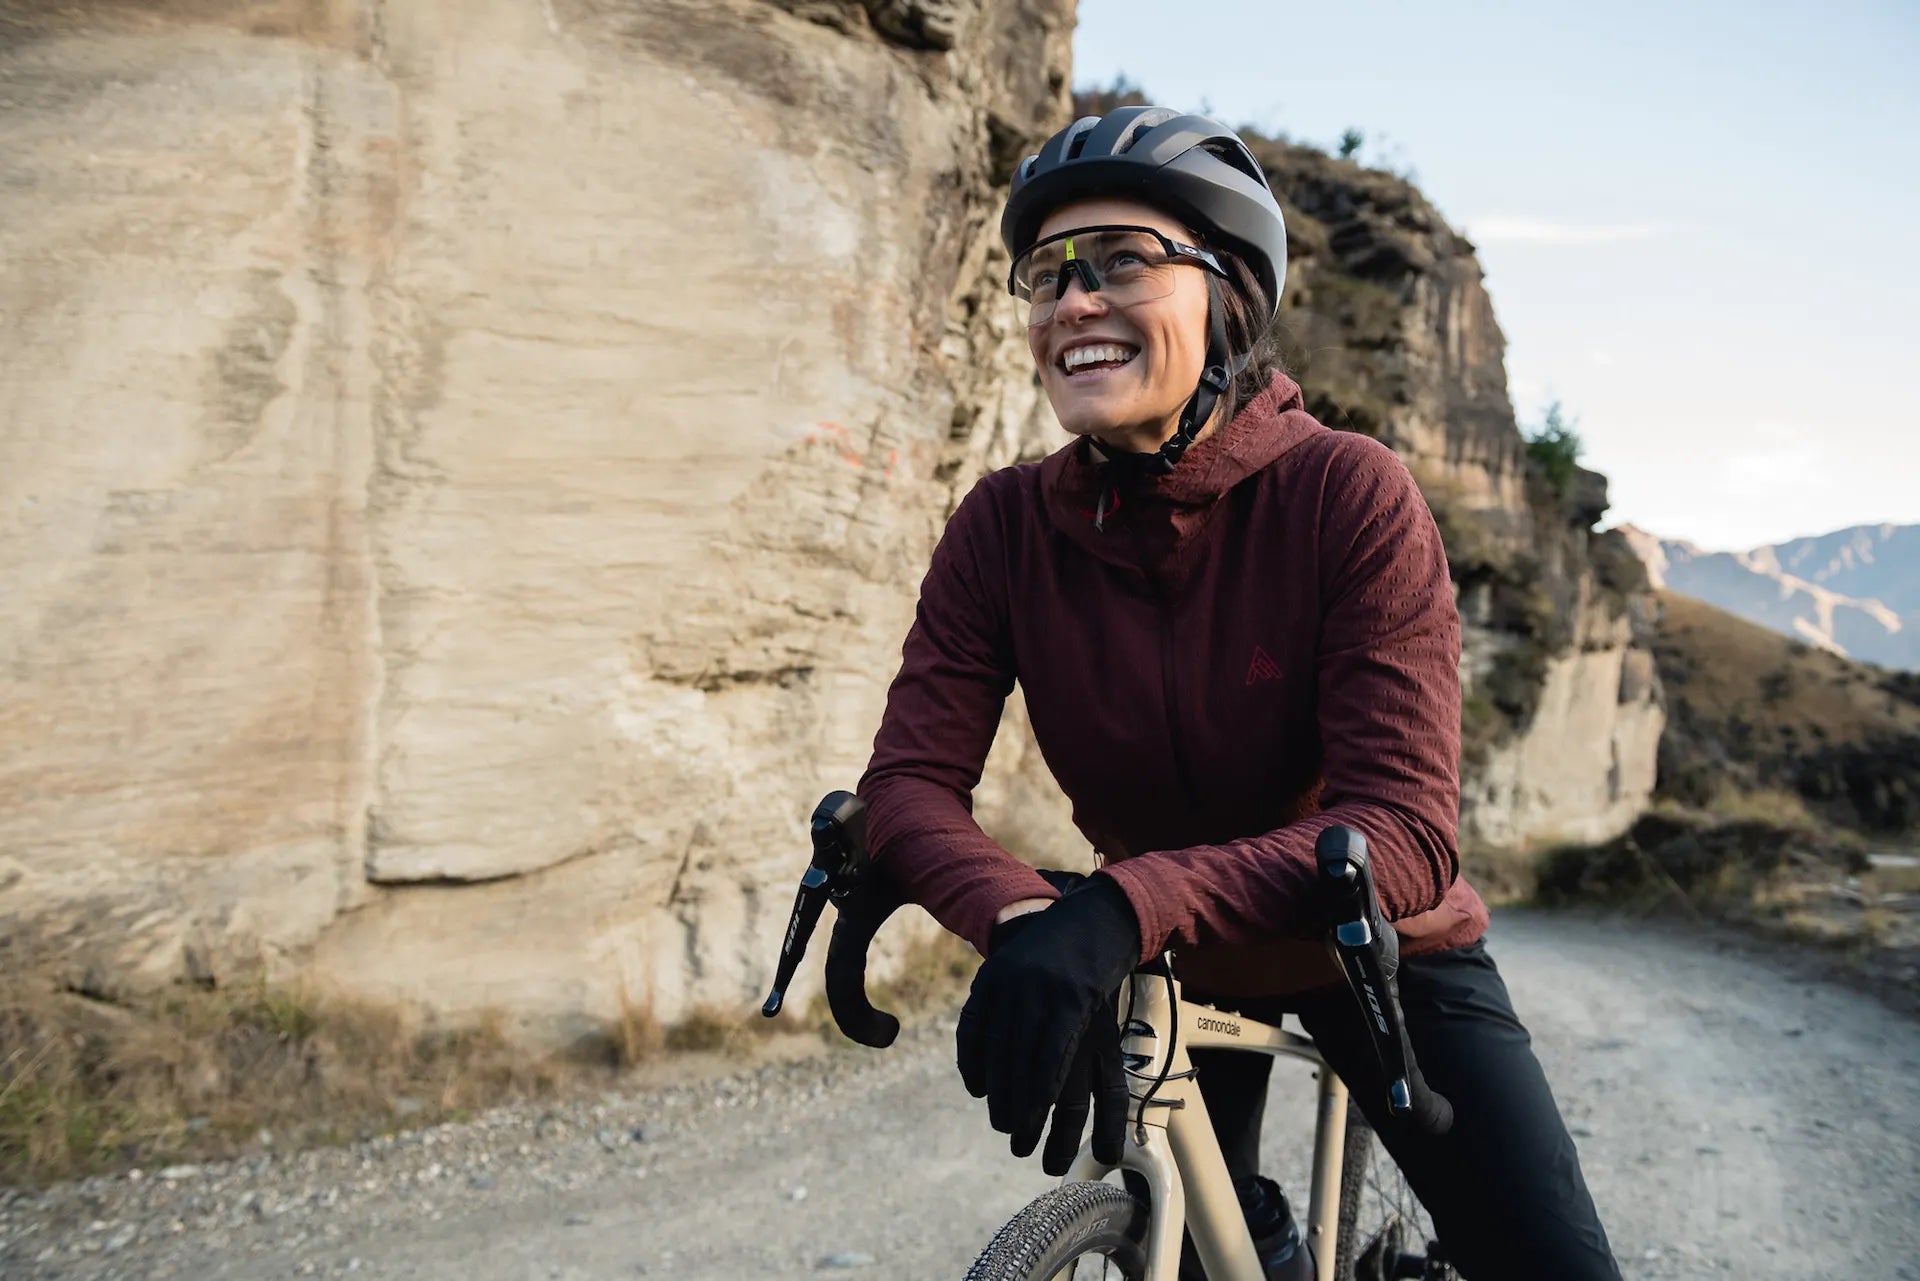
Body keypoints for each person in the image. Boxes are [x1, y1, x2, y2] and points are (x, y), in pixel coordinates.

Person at [857, 105, 1621, 1280]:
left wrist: (1122, 906)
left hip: (1380, 948)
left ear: (1230, 297)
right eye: (1048, 274)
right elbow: (910, 781)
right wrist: (1025, 919)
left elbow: (1406, 831)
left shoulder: (1348, 494)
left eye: (1122, 261)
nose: (1072, 303)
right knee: (1207, 1254)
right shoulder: (1003, 527)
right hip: (1182, 954)